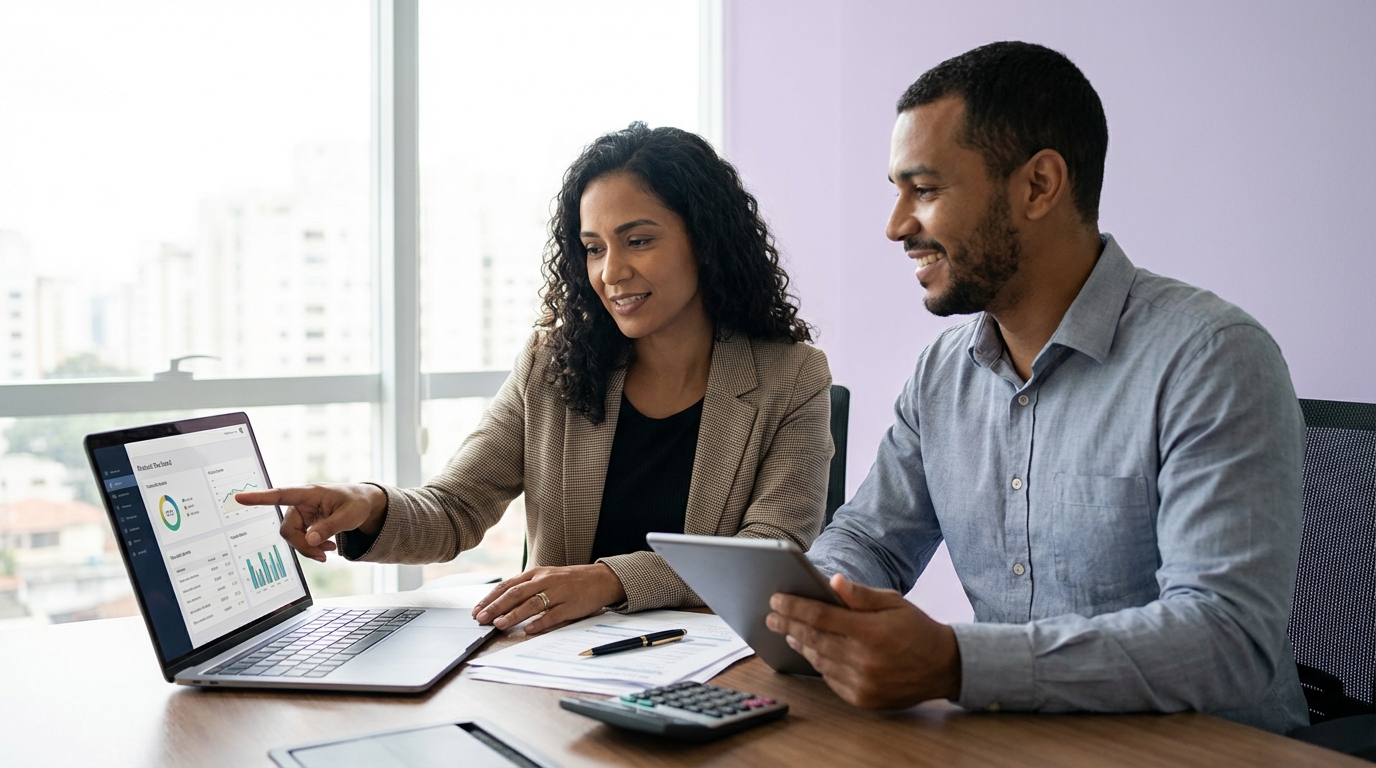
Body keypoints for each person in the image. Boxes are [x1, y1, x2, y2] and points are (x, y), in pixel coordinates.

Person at [765, 42, 1308, 733]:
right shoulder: (941, 372)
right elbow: (872, 540)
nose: (897, 225)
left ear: (1038, 186)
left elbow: (1225, 637)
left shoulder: (1211, 358)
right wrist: (813, 603)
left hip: (1208, 748)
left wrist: (956, 663)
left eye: (924, 190)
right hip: (1017, 740)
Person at [240, 123, 832, 635]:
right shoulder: (554, 363)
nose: (611, 271)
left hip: (712, 670)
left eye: (639, 240)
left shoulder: (791, 376)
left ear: (706, 241)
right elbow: (453, 509)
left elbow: (767, 553)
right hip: (556, 666)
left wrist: (607, 581)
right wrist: (367, 505)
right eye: (593, 248)